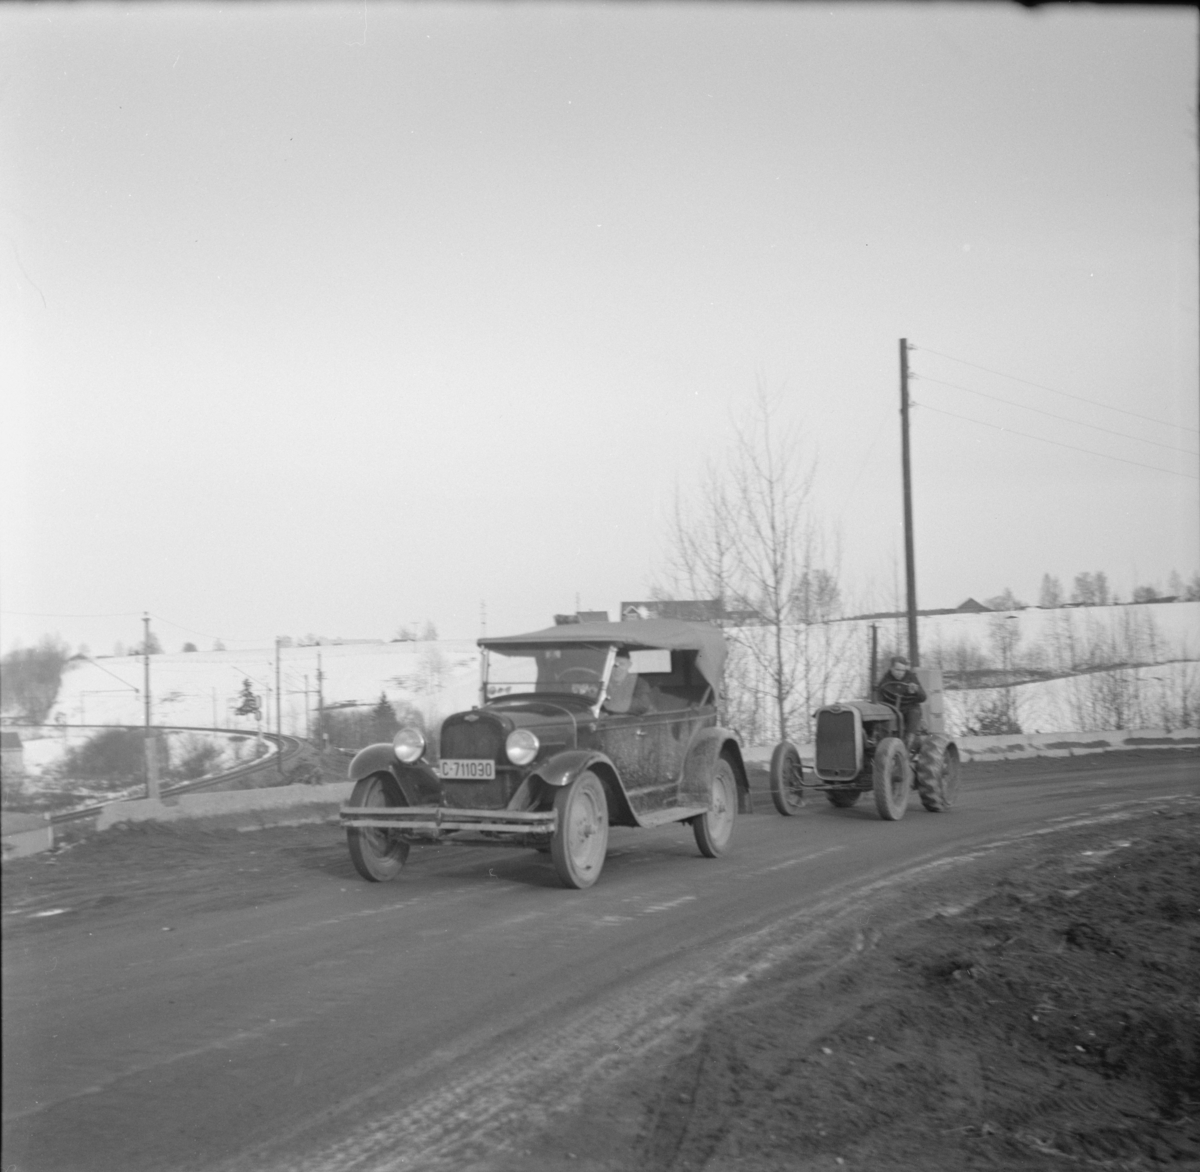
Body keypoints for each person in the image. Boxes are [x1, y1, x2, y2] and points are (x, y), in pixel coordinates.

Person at [876, 655, 926, 747]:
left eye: (903, 670)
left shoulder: (911, 677)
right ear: (891, 668)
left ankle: (909, 743)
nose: (900, 673)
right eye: (897, 670)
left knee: (913, 713)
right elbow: (879, 694)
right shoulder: (886, 678)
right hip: (892, 708)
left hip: (909, 707)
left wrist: (916, 690)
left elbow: (923, 697)